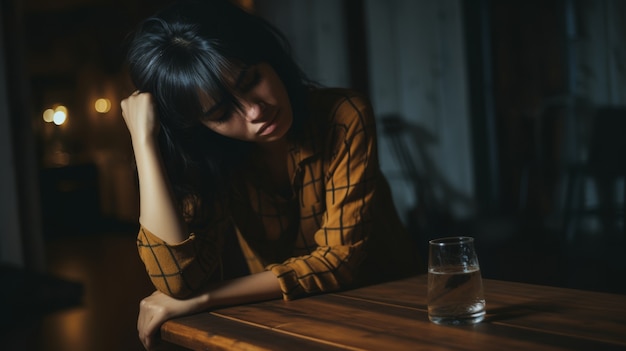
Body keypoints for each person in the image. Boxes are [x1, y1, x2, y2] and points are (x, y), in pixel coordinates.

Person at [120, 0, 422, 349]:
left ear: (267, 57)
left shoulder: (344, 115)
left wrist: (203, 299)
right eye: (220, 113)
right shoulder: (212, 160)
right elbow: (176, 279)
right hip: (291, 317)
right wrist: (145, 141)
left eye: (251, 80)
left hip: (394, 305)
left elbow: (339, 261)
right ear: (199, 126)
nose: (255, 110)